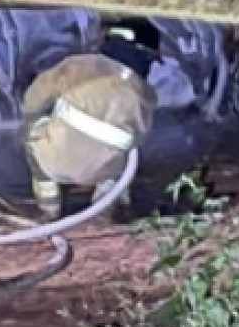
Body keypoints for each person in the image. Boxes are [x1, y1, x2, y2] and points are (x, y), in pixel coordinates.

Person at [21, 29, 158, 218]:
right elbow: (140, 136)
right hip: (105, 170)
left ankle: (49, 210)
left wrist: (32, 119)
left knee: (32, 138)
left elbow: (34, 98)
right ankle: (104, 210)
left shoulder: (78, 66)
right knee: (127, 159)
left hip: (55, 162)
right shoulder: (146, 94)